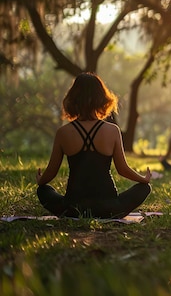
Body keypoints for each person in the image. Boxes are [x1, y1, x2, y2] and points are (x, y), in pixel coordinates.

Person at [36, 72, 152, 219]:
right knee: (144, 189)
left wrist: (41, 181)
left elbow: (52, 171)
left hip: (73, 208)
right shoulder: (112, 130)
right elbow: (122, 169)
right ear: (102, 98)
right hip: (109, 208)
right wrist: (144, 179)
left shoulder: (63, 132)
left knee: (43, 191)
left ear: (73, 99)